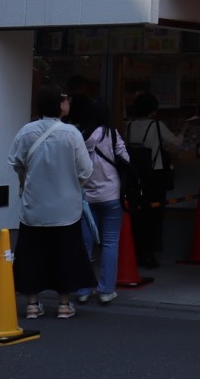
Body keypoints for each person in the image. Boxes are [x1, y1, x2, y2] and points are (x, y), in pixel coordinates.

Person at [8, 85, 95, 319]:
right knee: (66, 255)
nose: (69, 103)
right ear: (58, 104)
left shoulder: (26, 131)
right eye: (66, 99)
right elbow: (86, 171)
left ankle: (32, 304)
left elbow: (16, 163)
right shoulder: (72, 133)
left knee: (32, 254)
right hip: (66, 207)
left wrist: (25, 184)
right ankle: (64, 305)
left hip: (34, 206)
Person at [75, 96, 130, 304]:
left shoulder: (79, 136)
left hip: (86, 198)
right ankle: (106, 290)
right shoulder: (112, 135)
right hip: (111, 195)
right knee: (110, 243)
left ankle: (83, 289)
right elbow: (126, 160)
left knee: (84, 243)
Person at [124, 92, 182, 268]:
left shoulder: (129, 126)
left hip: (134, 175)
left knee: (137, 214)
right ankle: (150, 253)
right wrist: (184, 130)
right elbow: (176, 142)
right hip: (154, 175)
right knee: (154, 216)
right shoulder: (156, 125)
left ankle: (137, 252)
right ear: (153, 110)